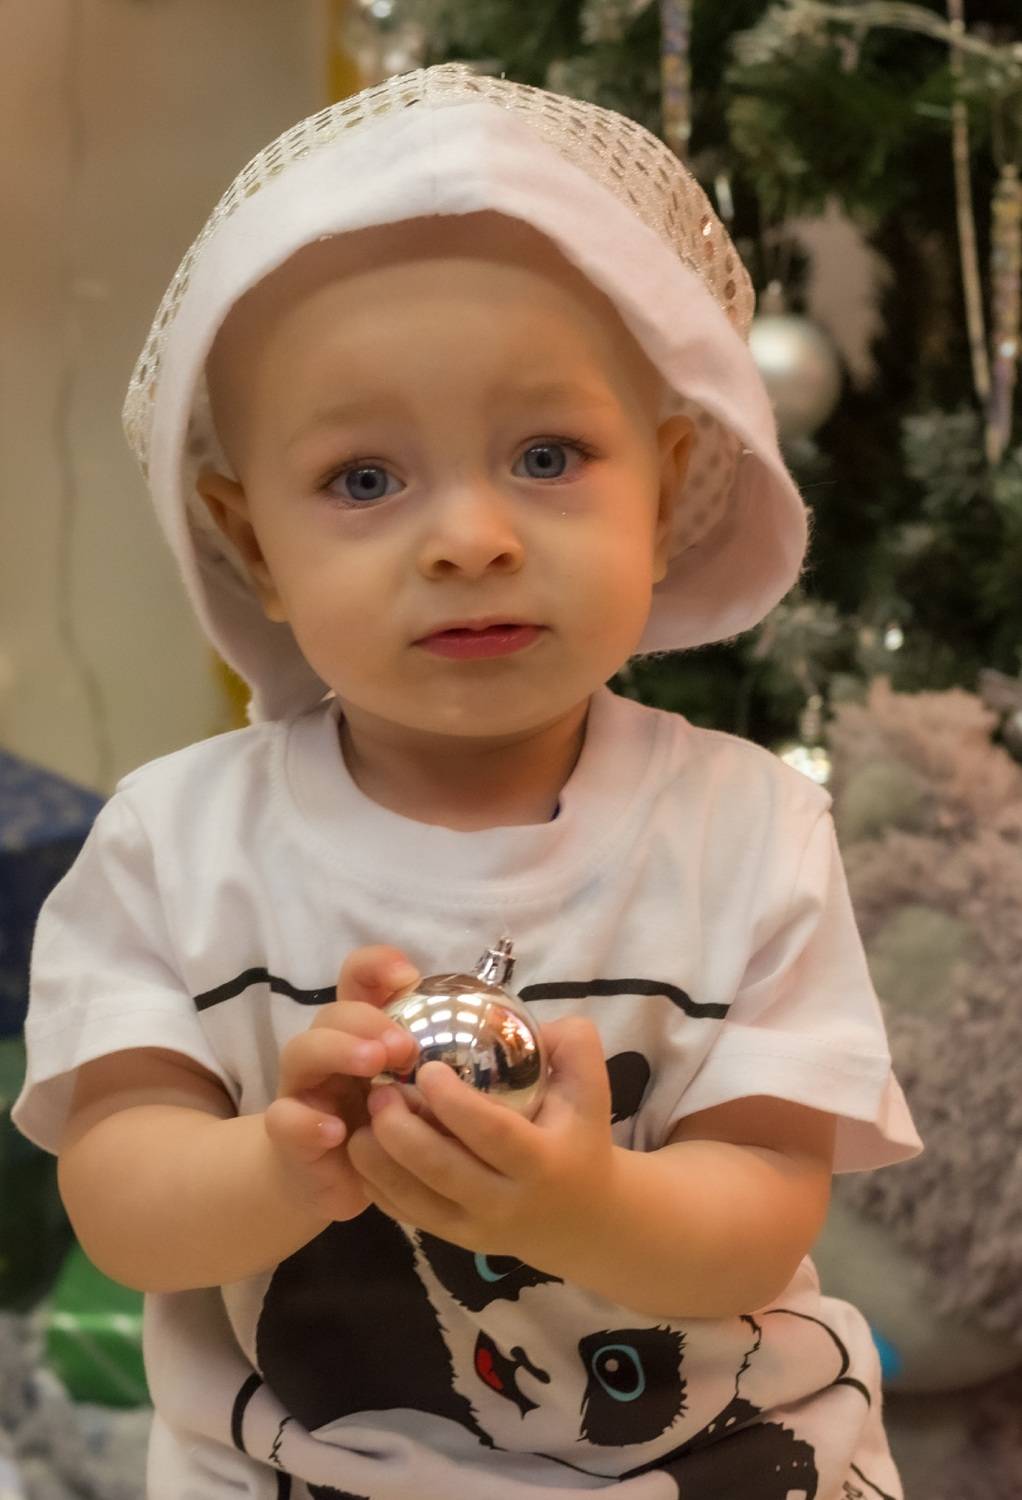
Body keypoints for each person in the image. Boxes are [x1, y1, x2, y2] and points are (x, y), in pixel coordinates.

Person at [13, 63, 922, 1500]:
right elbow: (121, 1200)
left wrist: (587, 1204)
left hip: (718, 1460)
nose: (471, 539)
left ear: (665, 483)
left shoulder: (748, 826)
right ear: (249, 543)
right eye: (364, 480)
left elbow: (761, 1211)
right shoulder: (174, 846)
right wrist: (284, 1165)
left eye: (548, 455)